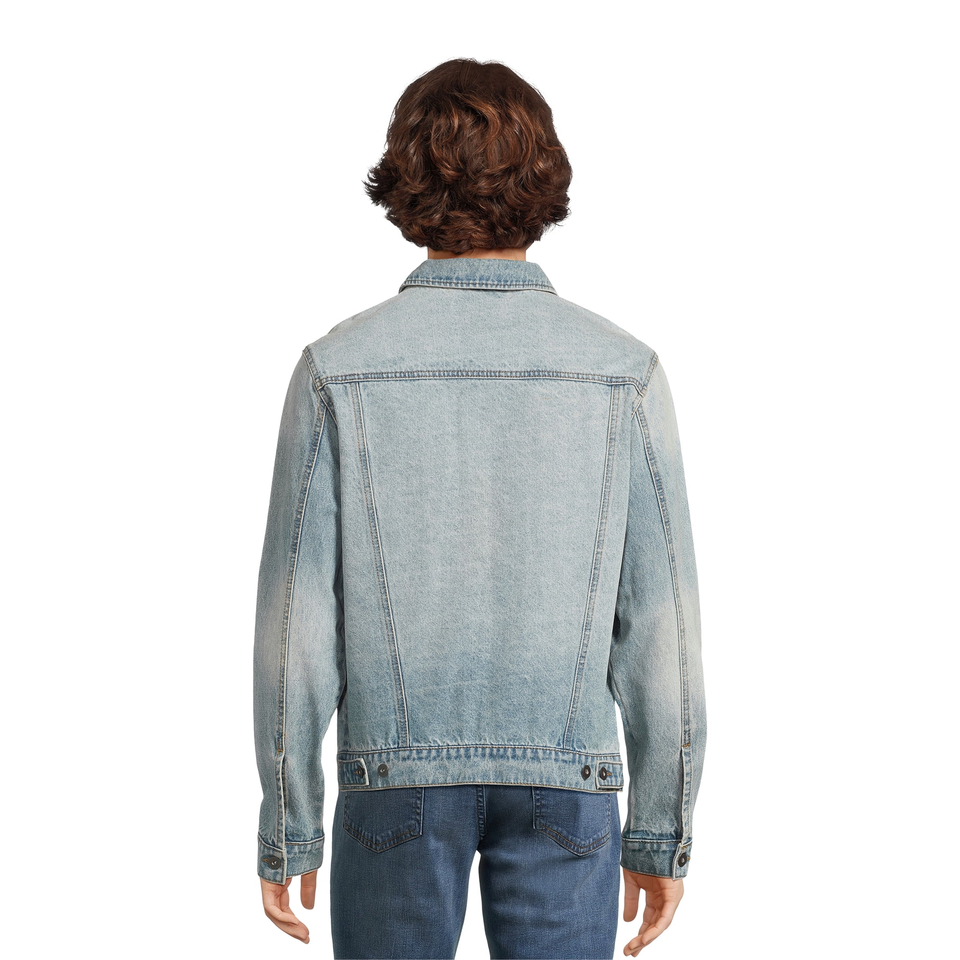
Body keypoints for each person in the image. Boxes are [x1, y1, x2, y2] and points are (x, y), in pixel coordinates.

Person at [253, 57, 707, 960]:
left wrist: (289, 824)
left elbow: (295, 624)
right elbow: (664, 628)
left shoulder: (337, 369)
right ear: (544, 179)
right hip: (570, 782)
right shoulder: (623, 372)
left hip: (392, 780)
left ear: (404, 181)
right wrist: (661, 828)